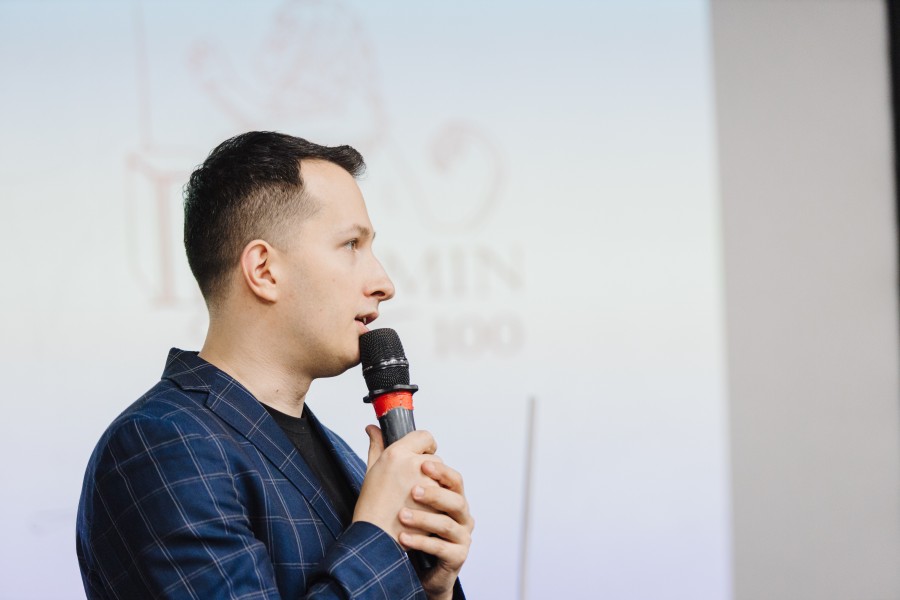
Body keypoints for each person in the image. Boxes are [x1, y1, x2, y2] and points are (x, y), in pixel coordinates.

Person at [76, 131, 474, 599]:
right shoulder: (161, 444)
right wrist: (381, 538)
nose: (384, 283)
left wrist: (430, 590)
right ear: (263, 270)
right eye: (351, 244)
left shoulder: (340, 455)